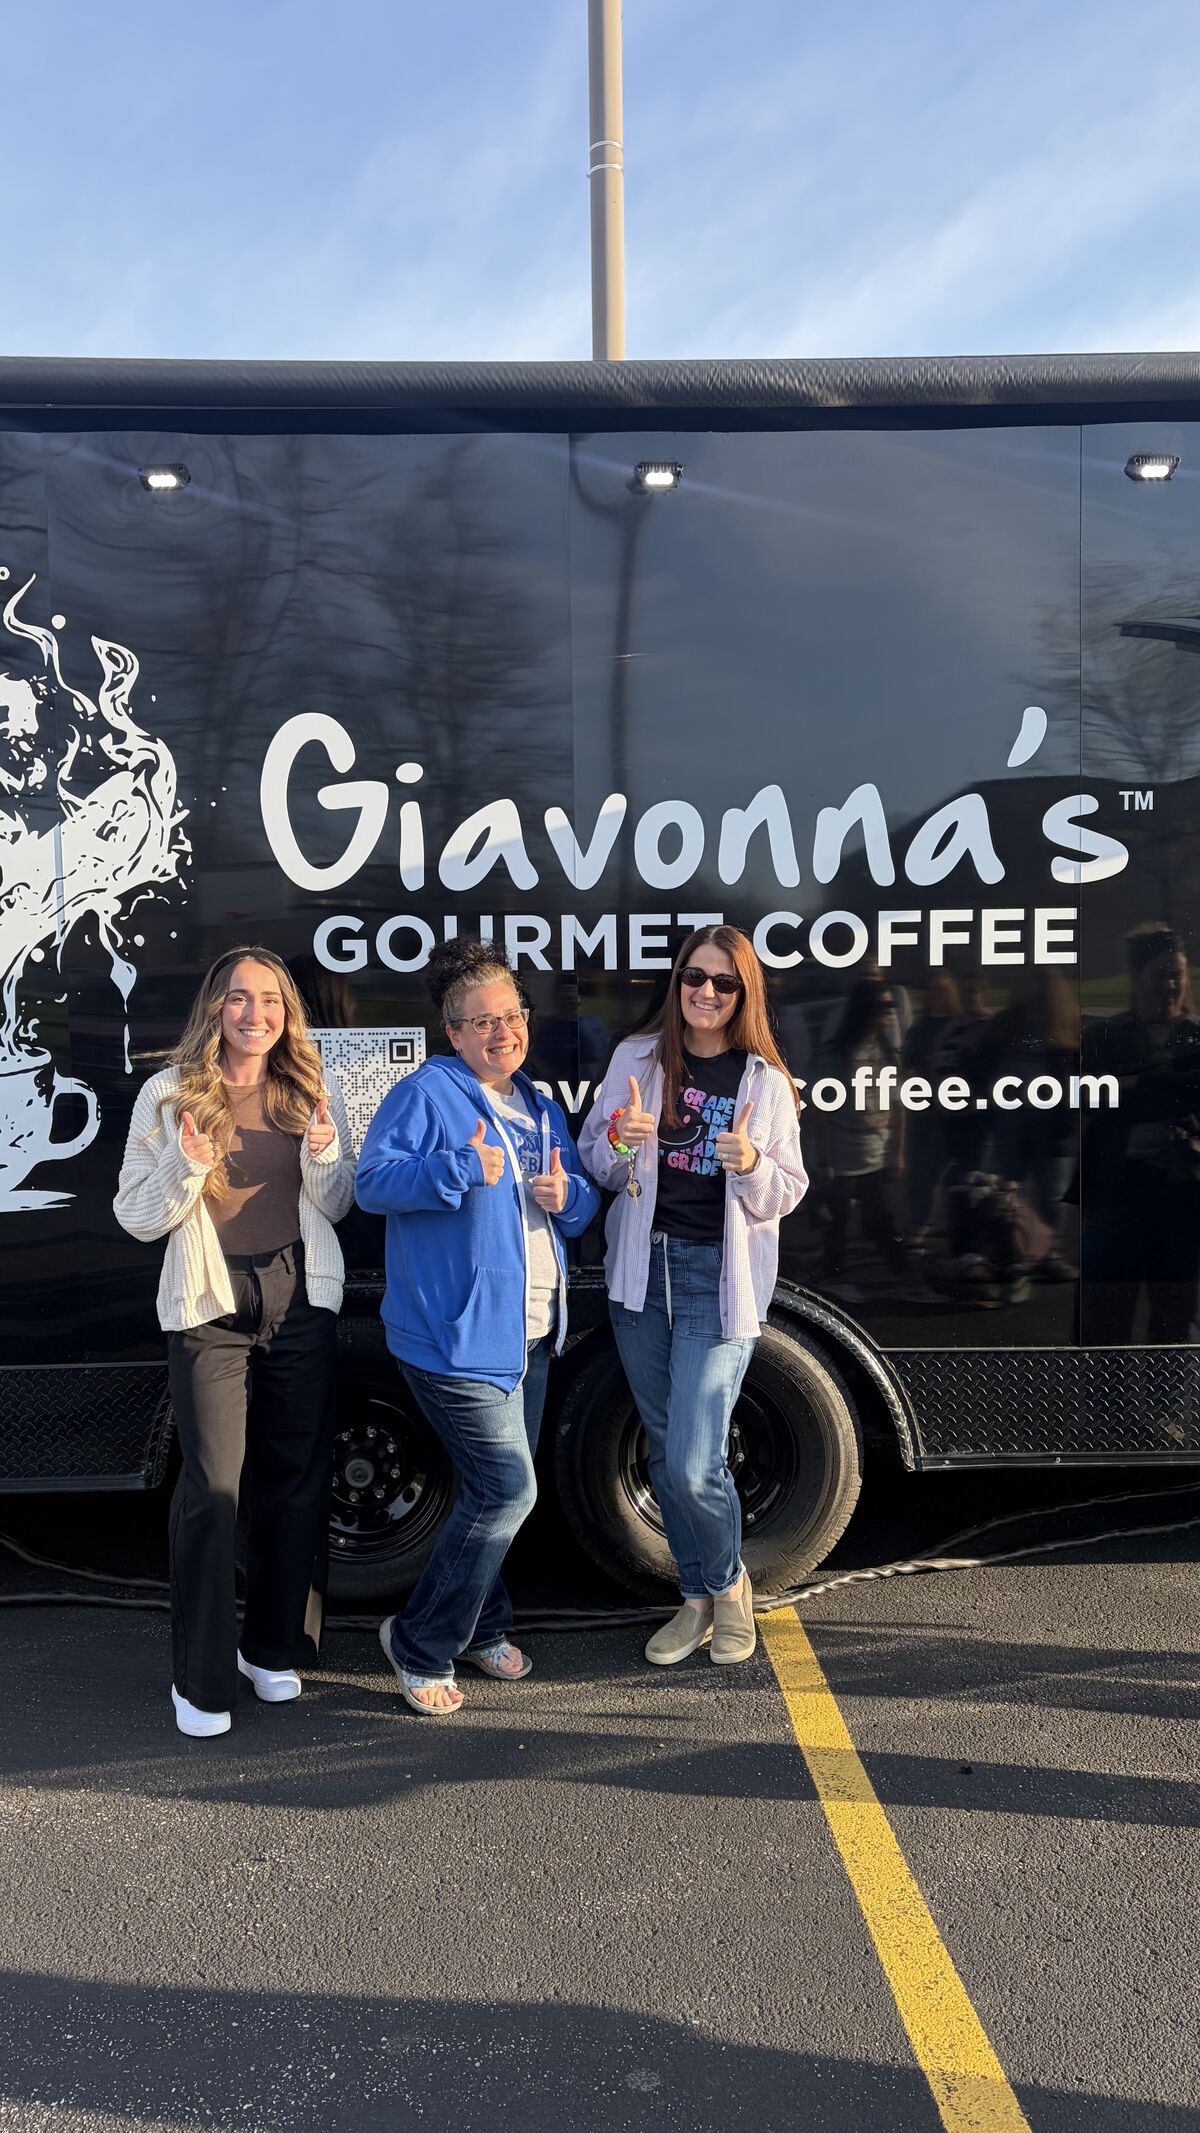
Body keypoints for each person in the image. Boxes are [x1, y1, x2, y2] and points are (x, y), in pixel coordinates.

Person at [114, 946, 356, 1739]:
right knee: (214, 1492)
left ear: (287, 1014)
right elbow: (136, 1214)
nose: (257, 1015)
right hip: (210, 1303)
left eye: (272, 1002)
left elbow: (338, 1202)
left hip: (300, 1293)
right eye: (241, 999)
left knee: (296, 1480)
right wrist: (185, 1163)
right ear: (215, 1006)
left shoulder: (308, 1090)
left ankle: (271, 1648)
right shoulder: (168, 1094)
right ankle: (201, 1677)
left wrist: (324, 1153)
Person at [355, 938, 599, 1716]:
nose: (502, 1031)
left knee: (490, 1493)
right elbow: (370, 1183)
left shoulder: (539, 1103)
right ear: (452, 1033)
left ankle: (483, 1621)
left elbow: (584, 1202)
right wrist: (455, 1168)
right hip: (453, 1339)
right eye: (481, 1021)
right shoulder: (429, 1093)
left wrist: (572, 1200)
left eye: (512, 1014)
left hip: (528, 1335)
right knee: (507, 1488)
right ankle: (421, 1640)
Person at [579, 924, 807, 1668]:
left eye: (722, 982)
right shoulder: (635, 1059)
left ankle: (726, 1584)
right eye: (692, 978)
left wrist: (748, 1165)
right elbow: (596, 1164)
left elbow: (786, 1192)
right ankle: (698, 1598)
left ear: (744, 994)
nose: (704, 992)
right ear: (676, 985)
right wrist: (618, 1138)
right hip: (642, 1274)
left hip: (718, 1280)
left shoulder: (764, 1083)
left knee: (692, 1460)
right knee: (665, 1449)